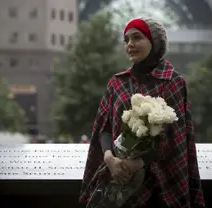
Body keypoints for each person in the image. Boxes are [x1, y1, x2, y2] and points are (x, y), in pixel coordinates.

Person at [79, 17, 205, 208]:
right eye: (126, 39)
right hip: (117, 179)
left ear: (154, 42)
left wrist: (137, 163)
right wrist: (109, 158)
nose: (130, 44)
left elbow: (174, 139)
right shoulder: (117, 83)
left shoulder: (173, 82)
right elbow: (103, 129)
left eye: (137, 38)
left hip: (159, 187)